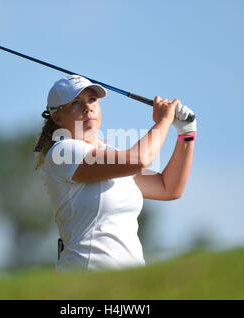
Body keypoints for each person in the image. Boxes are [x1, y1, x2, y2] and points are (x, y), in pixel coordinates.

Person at [34, 75, 196, 273]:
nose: (88, 107)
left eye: (92, 99)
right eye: (76, 103)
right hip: (85, 282)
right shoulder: (62, 152)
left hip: (130, 282)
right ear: (57, 117)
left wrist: (186, 133)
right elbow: (140, 159)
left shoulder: (110, 154)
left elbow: (168, 188)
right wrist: (164, 120)